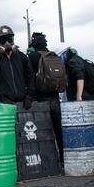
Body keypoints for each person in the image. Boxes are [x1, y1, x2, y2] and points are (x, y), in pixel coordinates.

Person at [28, 32, 65, 162]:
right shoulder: (54, 56)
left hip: (40, 99)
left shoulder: (32, 57)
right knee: (58, 130)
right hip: (55, 97)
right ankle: (63, 159)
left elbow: (30, 78)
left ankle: (48, 161)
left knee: (43, 131)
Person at [0, 25, 35, 108]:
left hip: (23, 103)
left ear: (13, 40)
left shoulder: (22, 57)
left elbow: (30, 77)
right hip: (4, 105)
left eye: (9, 39)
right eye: (3, 40)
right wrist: (2, 98)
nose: (7, 43)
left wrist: (29, 96)